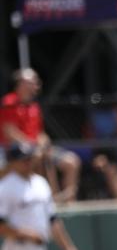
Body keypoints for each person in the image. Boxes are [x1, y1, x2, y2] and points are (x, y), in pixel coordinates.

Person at [0, 69, 81, 202]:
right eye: (32, 81)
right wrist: (34, 145)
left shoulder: (34, 106)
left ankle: (69, 201)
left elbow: (40, 133)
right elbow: (9, 132)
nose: (36, 84)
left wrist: (44, 142)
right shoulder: (8, 103)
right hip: (15, 150)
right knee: (39, 156)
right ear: (20, 84)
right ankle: (50, 199)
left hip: (37, 148)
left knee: (72, 162)